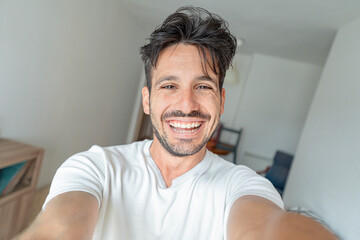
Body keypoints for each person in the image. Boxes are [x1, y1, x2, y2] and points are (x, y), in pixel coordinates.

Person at [18, 6, 337, 240]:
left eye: (203, 86)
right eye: (169, 86)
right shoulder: (95, 167)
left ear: (221, 101)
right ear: (147, 100)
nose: (187, 105)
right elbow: (60, 225)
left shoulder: (242, 185)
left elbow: (267, 227)